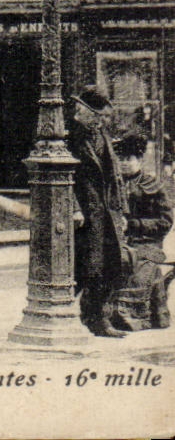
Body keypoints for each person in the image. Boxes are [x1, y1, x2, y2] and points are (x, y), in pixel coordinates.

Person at [69, 88, 129, 337]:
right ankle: (87, 317)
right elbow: (63, 176)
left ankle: (100, 317)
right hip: (84, 214)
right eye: (99, 116)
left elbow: (115, 177)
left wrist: (122, 211)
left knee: (112, 264)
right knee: (87, 267)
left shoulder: (102, 136)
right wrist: (73, 207)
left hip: (107, 212)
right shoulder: (69, 137)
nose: (103, 121)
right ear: (84, 111)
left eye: (105, 117)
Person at [108, 133, 172, 332]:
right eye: (122, 159)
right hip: (119, 241)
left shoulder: (153, 186)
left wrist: (134, 224)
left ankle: (138, 315)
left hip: (147, 243)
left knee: (135, 267)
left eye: (130, 159)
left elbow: (165, 222)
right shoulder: (113, 185)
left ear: (140, 160)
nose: (125, 163)